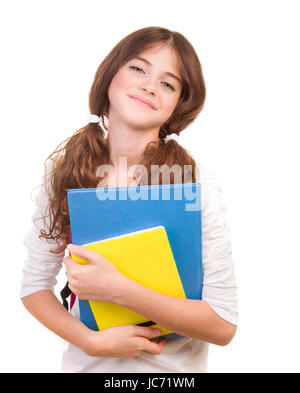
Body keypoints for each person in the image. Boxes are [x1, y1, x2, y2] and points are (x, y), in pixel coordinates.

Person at [20, 26, 238, 373]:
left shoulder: (194, 185)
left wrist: (120, 290)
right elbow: (34, 287)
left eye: (168, 84)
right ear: (110, 76)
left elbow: (223, 325)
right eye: (138, 69)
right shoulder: (67, 174)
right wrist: (90, 340)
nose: (150, 86)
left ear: (176, 108)